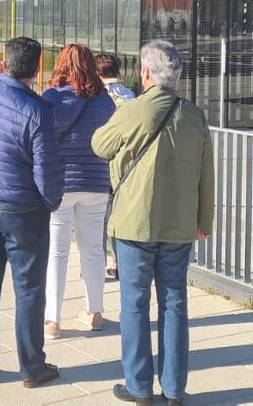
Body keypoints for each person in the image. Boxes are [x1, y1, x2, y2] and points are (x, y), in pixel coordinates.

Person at [91, 41, 213, 405]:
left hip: (134, 224)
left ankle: (139, 386)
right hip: (179, 225)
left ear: (145, 73)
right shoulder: (194, 115)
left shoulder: (133, 111)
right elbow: (207, 173)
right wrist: (203, 220)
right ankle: (174, 389)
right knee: (175, 303)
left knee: (135, 303)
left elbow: (99, 144)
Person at [0, 37, 63, 390]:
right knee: (29, 289)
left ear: (6, 63)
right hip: (21, 208)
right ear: (37, 68)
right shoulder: (37, 110)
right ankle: (32, 367)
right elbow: (46, 173)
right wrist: (51, 202)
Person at [42, 44, 115, 340]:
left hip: (61, 183)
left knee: (57, 253)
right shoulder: (105, 102)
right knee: (93, 250)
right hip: (96, 181)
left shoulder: (51, 99)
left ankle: (52, 320)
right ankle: (94, 312)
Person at [96, 53, 136, 281]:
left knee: (98, 219)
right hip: (124, 165)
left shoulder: (98, 96)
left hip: (101, 162)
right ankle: (118, 261)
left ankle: (96, 262)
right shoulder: (130, 96)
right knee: (118, 216)